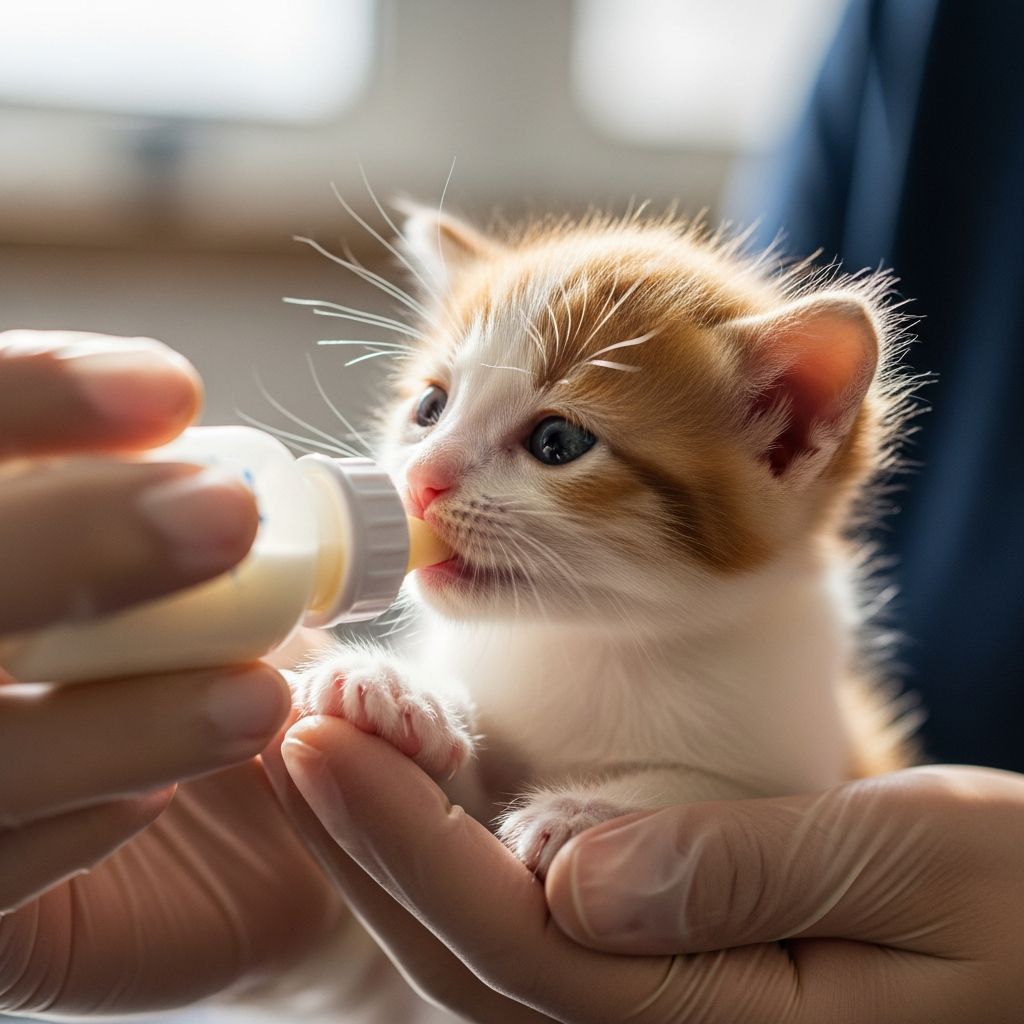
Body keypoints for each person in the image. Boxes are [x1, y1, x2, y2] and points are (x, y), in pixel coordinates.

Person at [1, 1, 1021, 1020]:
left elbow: (750, 800)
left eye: (555, 441)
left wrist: (628, 814)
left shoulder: (780, 664)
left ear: (784, 434)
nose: (430, 477)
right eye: (432, 407)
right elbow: (456, 809)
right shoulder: (917, 38)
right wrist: (351, 888)